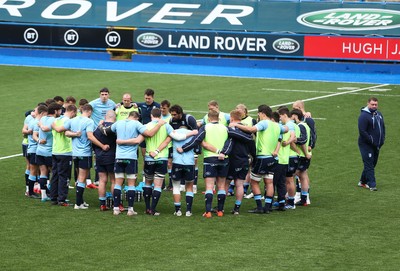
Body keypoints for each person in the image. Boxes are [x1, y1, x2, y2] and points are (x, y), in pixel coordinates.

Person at [106, 110, 167, 216]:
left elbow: (107, 131)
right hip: (131, 158)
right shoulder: (137, 124)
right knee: (131, 184)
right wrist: (159, 125)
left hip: (119, 156)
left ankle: (115, 208)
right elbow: (149, 134)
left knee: (118, 183)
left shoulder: (118, 122)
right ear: (137, 118)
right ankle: (130, 209)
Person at [231, 104, 284, 214]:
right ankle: (268, 207)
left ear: (263, 114)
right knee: (269, 182)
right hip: (273, 158)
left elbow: (250, 129)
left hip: (262, 156)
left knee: (254, 182)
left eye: (259, 114)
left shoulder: (263, 123)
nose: (258, 116)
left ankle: (260, 207)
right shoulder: (277, 125)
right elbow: (286, 129)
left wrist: (237, 125)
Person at [179, 109, 232, 218]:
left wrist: (184, 148)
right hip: (224, 159)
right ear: (219, 118)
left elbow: (196, 140)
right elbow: (231, 141)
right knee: (221, 186)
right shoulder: (226, 128)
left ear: (208, 118)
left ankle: (208, 212)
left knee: (209, 186)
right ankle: (220, 211)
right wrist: (223, 152)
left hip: (210, 159)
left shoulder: (205, 127)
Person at [205, 109, 254, 215]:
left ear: (231, 118)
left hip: (233, 161)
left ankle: (220, 207)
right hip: (244, 160)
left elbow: (229, 143)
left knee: (224, 183)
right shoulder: (246, 130)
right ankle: (236, 208)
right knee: (239, 184)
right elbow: (251, 143)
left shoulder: (231, 129)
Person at [62, 104, 96, 209]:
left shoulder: (73, 120)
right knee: (82, 178)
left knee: (80, 177)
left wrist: (75, 134)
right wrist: (101, 145)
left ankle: (81, 201)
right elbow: (90, 136)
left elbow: (65, 132)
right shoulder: (89, 121)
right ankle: (78, 204)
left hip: (75, 153)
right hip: (85, 153)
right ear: (89, 112)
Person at [46, 104, 78, 206]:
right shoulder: (68, 121)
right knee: (64, 176)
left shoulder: (56, 120)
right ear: (72, 112)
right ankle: (62, 199)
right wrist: (77, 134)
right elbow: (66, 133)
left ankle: (53, 197)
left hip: (55, 151)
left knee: (55, 175)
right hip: (65, 152)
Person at [169, 104, 199, 193]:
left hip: (192, 144)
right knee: (178, 163)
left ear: (180, 113)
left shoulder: (189, 119)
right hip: (177, 146)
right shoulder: (171, 120)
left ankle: (194, 185)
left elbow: (196, 133)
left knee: (194, 162)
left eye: (174, 115)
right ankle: (182, 185)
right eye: (172, 114)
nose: (173, 116)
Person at [36, 103, 63, 202]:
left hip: (40, 150)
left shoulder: (42, 118)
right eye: (59, 110)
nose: (60, 112)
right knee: (54, 173)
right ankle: (54, 194)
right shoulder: (54, 120)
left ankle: (44, 195)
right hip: (49, 151)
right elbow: (46, 128)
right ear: (55, 111)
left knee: (43, 172)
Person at [357, 97, 385, 191]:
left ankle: (362, 181)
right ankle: (372, 184)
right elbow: (362, 131)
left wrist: (382, 140)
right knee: (369, 164)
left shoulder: (379, 114)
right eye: (372, 104)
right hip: (366, 144)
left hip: (377, 144)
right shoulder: (363, 116)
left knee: (373, 163)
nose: (374, 106)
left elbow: (382, 127)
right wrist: (372, 140)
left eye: (376, 104)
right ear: (368, 103)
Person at [93, 110, 117, 211]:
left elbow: (93, 143)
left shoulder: (97, 129)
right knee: (114, 180)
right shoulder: (115, 128)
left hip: (99, 157)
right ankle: (116, 203)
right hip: (112, 157)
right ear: (114, 118)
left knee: (102, 180)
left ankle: (102, 204)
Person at [291, 109, 312, 206]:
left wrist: (295, 140)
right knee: (303, 176)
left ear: (295, 116)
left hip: (301, 156)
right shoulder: (306, 125)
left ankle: (290, 197)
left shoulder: (300, 126)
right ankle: (304, 199)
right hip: (305, 155)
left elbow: (303, 140)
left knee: (290, 176)